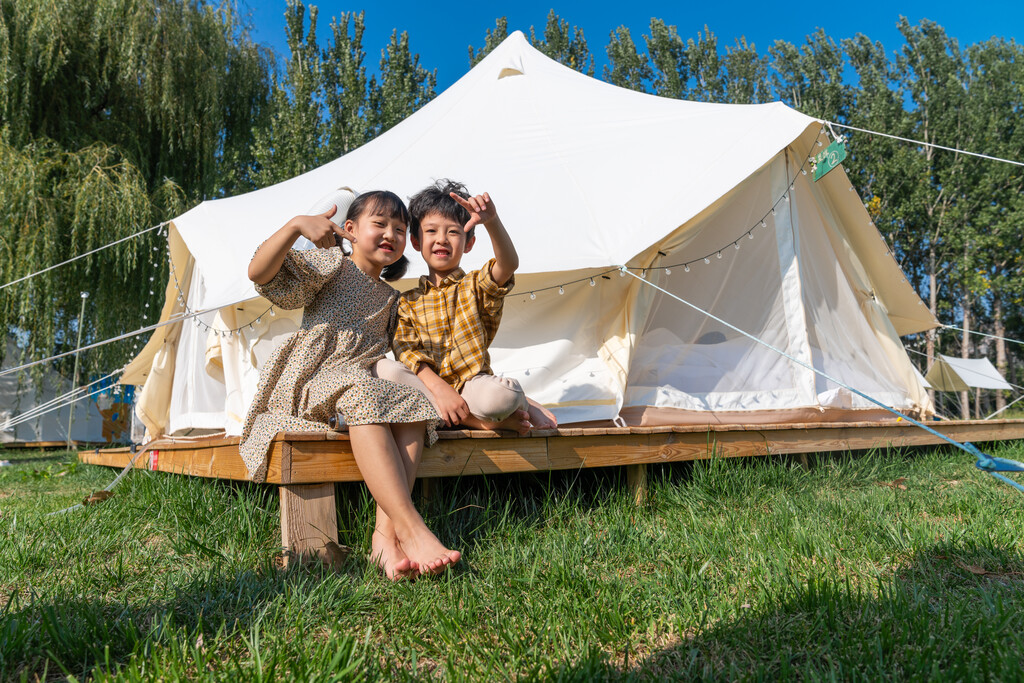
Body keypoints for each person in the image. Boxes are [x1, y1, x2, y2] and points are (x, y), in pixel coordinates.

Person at [240, 189, 459, 580]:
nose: (390, 232)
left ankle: (384, 538)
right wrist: (295, 226)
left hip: (358, 385)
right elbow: (259, 273)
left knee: (412, 406)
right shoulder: (332, 267)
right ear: (351, 230)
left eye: (399, 227)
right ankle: (411, 527)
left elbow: (406, 356)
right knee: (364, 390)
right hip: (315, 378)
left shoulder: (393, 299)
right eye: (380, 224)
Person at [393, 180, 557, 434]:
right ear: (416, 241)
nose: (442, 239)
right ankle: (487, 423)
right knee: (390, 374)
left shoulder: (475, 285)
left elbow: (508, 264)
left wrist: (491, 221)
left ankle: (518, 403)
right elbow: (408, 354)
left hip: (472, 386)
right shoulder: (406, 302)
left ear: (468, 244)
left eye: (453, 232)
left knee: (500, 398)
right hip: (431, 389)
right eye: (432, 231)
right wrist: (440, 390)